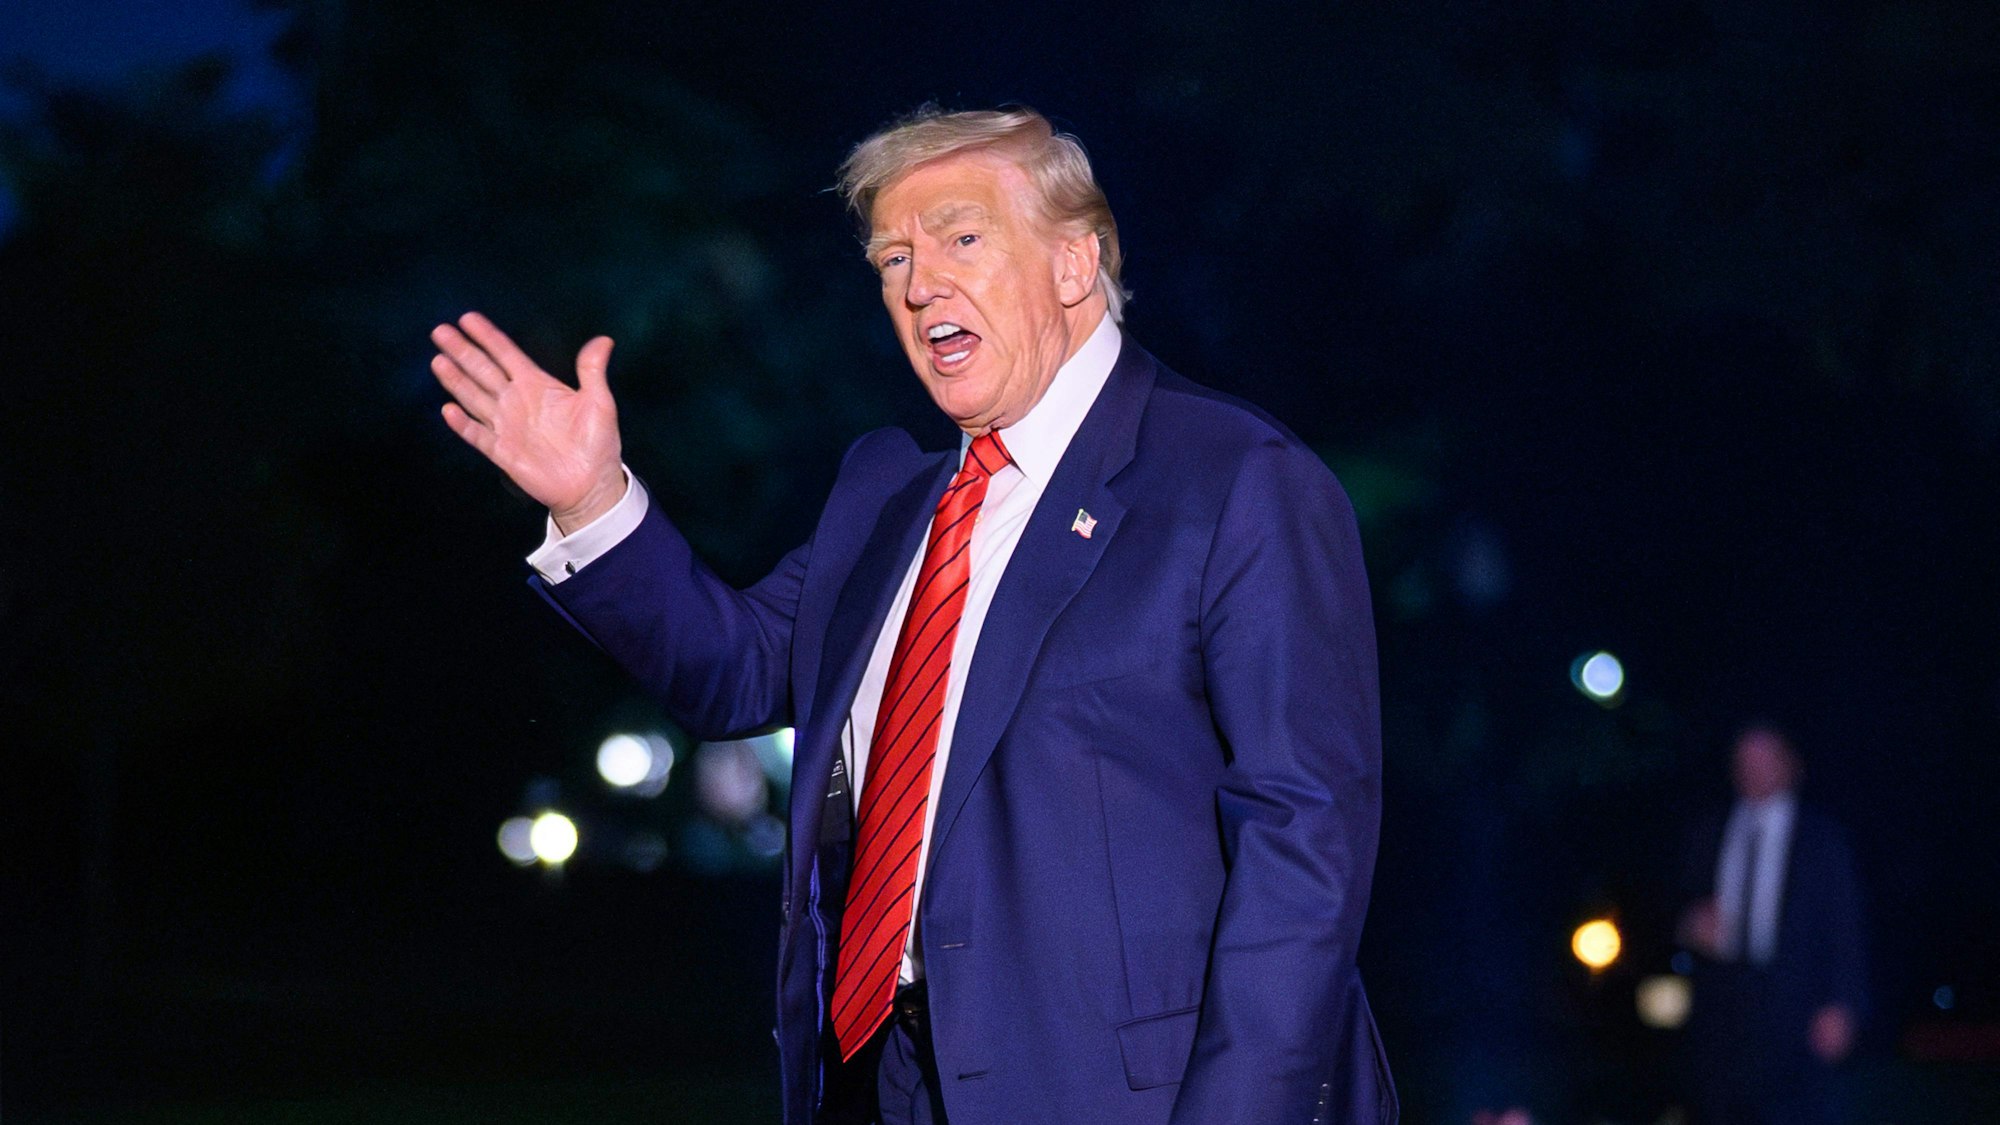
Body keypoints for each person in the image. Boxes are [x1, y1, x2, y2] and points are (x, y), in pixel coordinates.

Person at [430, 105, 1395, 1125]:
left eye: (960, 238)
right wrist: (591, 500)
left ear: (1073, 263)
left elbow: (1306, 842)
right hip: (873, 1089)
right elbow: (736, 670)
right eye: (891, 259)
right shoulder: (888, 500)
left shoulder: (1235, 482)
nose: (917, 282)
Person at [1676, 723, 1867, 1125]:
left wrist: (1842, 1004)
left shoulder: (1821, 840)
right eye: (1743, 760)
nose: (1752, 768)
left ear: (1789, 765)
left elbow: (1845, 927)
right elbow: (1675, 905)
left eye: (1764, 758)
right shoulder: (1708, 831)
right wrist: (1690, 923)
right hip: (1722, 1007)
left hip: (1796, 1004)